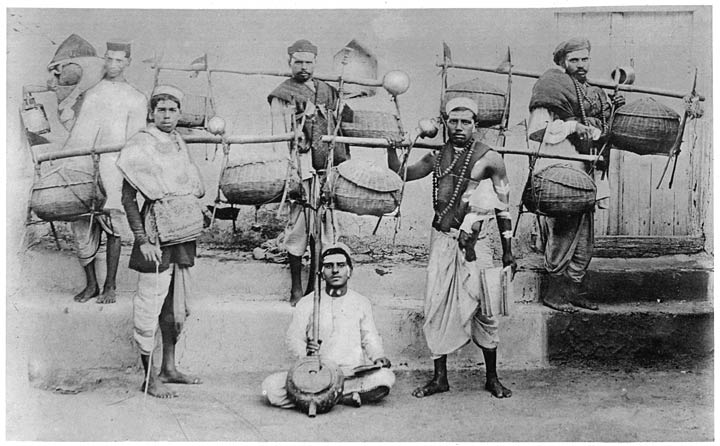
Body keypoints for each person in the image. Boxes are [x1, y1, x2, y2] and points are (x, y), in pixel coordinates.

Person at [386, 97, 516, 399]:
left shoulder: (491, 158)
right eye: (453, 121)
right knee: (436, 306)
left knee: (484, 309)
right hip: (442, 241)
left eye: (465, 122)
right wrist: (392, 149)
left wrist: (508, 249)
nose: (458, 127)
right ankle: (440, 379)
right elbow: (401, 174)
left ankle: (492, 378)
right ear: (445, 123)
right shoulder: (436, 157)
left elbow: (503, 207)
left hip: (477, 245)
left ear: (476, 126)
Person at [117, 85, 205, 399]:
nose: (167, 115)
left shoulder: (179, 142)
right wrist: (142, 240)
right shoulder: (140, 143)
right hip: (155, 235)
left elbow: (191, 187)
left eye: (172, 110)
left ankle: (169, 368)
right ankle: (149, 377)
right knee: (149, 306)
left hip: (182, 234)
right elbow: (128, 198)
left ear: (179, 113)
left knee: (175, 306)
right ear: (152, 113)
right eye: (161, 110)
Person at [527, 37, 624, 313]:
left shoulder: (591, 93)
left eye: (585, 59)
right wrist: (572, 127)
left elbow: (604, 128)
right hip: (560, 169)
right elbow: (537, 130)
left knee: (585, 236)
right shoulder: (551, 89)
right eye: (574, 60)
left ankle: (574, 290)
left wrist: (614, 105)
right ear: (562, 62)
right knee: (564, 230)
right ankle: (554, 293)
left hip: (585, 169)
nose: (581, 65)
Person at [61, 39, 147, 304]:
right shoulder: (91, 91)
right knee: (80, 223)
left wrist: (126, 172)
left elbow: (135, 141)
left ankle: (110, 286)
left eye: (119, 60)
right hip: (82, 162)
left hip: (114, 165)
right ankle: (91, 284)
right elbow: (72, 125)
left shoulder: (136, 97)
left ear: (128, 63)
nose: (113, 65)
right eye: (109, 59)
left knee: (113, 225)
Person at [268, 39, 350, 306]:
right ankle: (295, 287)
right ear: (288, 62)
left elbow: (344, 122)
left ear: (315, 62)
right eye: (298, 62)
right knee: (299, 226)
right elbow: (278, 134)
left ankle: (314, 287)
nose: (304, 67)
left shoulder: (327, 89)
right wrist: (292, 159)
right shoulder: (283, 93)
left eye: (308, 62)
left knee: (325, 227)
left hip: (327, 167)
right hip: (301, 168)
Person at [262, 243, 395, 408]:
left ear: (350, 271)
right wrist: (307, 354)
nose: (335, 270)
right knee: (271, 387)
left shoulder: (361, 302)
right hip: (317, 372)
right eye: (329, 266)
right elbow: (293, 338)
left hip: (351, 372)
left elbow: (370, 336)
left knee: (385, 378)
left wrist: (378, 356)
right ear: (321, 274)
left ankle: (321, 396)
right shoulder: (307, 303)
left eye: (340, 265)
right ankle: (341, 396)